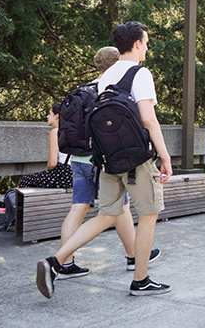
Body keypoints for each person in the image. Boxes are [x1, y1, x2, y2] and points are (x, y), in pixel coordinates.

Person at [37, 21, 172, 298]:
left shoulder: (106, 76)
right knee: (148, 214)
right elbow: (148, 118)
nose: (147, 48)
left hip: (107, 159)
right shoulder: (140, 72)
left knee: (107, 214)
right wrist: (165, 156)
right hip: (136, 156)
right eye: (146, 43)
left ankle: (55, 261)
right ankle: (141, 279)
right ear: (137, 44)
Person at [56, 46, 160, 279]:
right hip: (101, 158)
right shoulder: (109, 89)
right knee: (118, 208)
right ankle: (134, 256)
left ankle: (64, 261)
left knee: (79, 208)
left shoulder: (83, 88)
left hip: (77, 160)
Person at [18, 105, 73, 189]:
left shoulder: (55, 132)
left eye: (50, 114)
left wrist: (48, 170)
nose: (47, 116)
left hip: (63, 175)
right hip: (75, 174)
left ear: (56, 116)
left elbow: (52, 163)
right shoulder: (72, 131)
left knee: (26, 180)